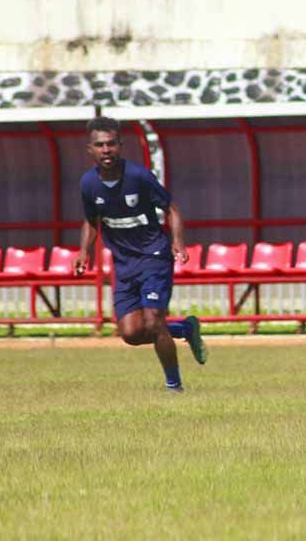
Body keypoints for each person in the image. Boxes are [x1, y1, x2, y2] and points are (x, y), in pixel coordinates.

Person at [71, 117, 207, 392]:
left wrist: (178, 242)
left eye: (111, 144)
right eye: (100, 145)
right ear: (90, 150)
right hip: (124, 263)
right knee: (131, 334)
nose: (106, 150)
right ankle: (184, 329)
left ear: (120, 146)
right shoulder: (88, 184)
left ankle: (174, 386)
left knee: (154, 321)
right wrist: (84, 251)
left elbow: (172, 209)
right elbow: (91, 219)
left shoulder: (139, 176)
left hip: (154, 255)